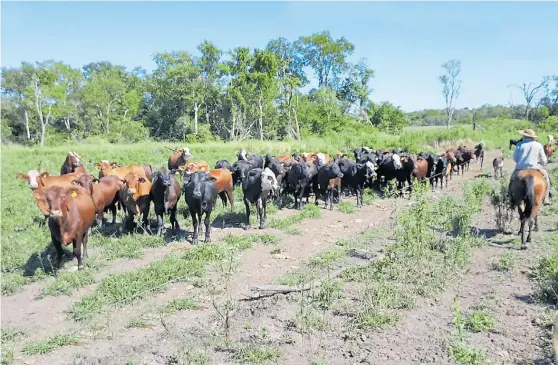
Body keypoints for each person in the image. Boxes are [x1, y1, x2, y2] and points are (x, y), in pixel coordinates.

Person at [509, 129, 551, 205]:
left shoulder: (519, 144)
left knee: (512, 179)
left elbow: (515, 158)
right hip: (535, 167)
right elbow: (544, 160)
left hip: (520, 168)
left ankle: (510, 197)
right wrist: (542, 163)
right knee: (546, 179)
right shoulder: (538, 145)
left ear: (524, 136)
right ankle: (546, 198)